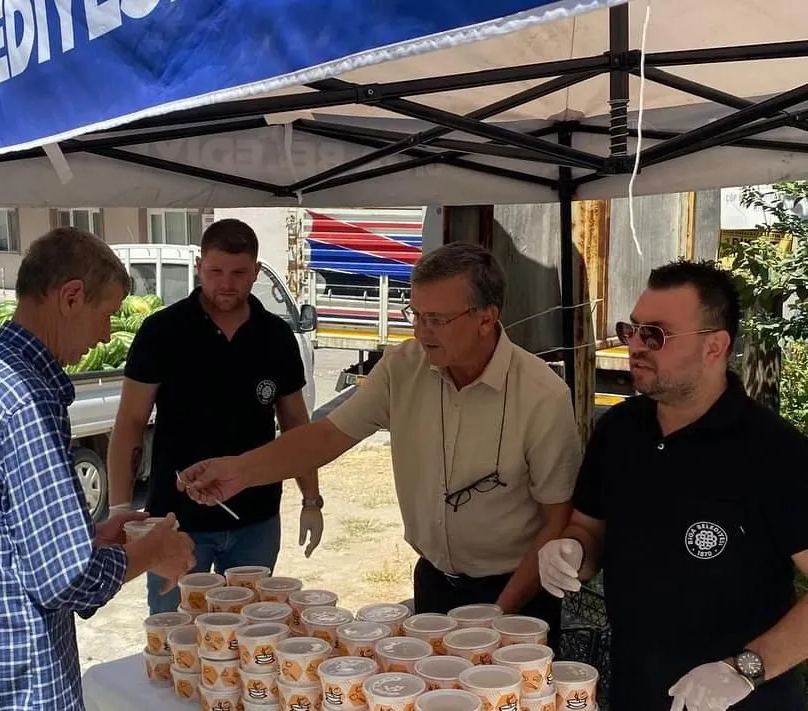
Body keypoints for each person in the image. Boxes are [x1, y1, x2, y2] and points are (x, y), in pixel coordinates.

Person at [178, 241, 582, 647]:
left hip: (518, 595)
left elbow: (558, 520)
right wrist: (239, 471)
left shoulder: (542, 396)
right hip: (434, 585)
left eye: (437, 319)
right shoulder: (402, 367)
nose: (421, 331)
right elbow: (327, 436)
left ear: (486, 318)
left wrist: (498, 614)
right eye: (416, 315)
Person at [0, 227, 196, 711]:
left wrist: (95, 536)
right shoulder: (25, 401)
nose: (106, 335)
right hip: (9, 685)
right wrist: (150, 552)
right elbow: (65, 578)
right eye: (107, 315)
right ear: (71, 297)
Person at [537, 259, 808, 711]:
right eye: (631, 330)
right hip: (635, 689)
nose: (634, 346)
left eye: (655, 335)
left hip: (739, 699)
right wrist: (571, 551)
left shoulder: (776, 453)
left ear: (714, 346)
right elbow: (589, 527)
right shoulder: (619, 431)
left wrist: (746, 668)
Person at [107, 218, 323, 615]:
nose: (226, 283)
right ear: (199, 267)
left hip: (256, 518)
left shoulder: (275, 336)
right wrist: (121, 511)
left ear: (256, 271)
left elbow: (297, 426)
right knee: (174, 632)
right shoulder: (162, 331)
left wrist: (312, 499)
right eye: (215, 271)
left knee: (249, 632)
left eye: (239, 273)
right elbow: (130, 423)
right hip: (174, 522)